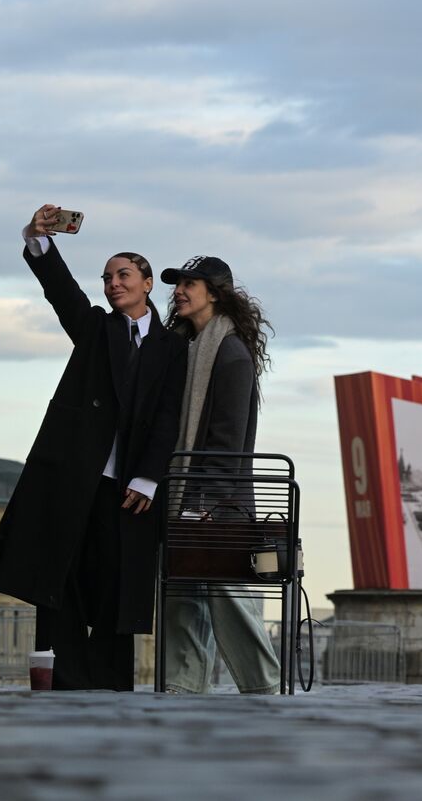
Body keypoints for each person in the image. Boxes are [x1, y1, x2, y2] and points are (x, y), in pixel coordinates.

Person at [0, 204, 187, 690]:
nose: (113, 283)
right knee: (62, 576)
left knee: (116, 583)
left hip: (130, 485)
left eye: (124, 274)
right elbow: (61, 292)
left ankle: (112, 684)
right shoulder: (95, 328)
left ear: (148, 283)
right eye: (107, 276)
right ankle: (67, 681)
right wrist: (37, 239)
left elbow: (169, 416)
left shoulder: (173, 348)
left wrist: (149, 477)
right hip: (75, 477)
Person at [159, 255, 281, 695]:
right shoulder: (186, 346)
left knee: (229, 598)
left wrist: (203, 505)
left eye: (190, 284)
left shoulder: (229, 355)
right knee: (182, 597)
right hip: (188, 496)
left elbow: (228, 443)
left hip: (217, 503)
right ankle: (182, 683)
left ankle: (263, 684)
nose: (179, 291)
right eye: (177, 285)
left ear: (215, 292)